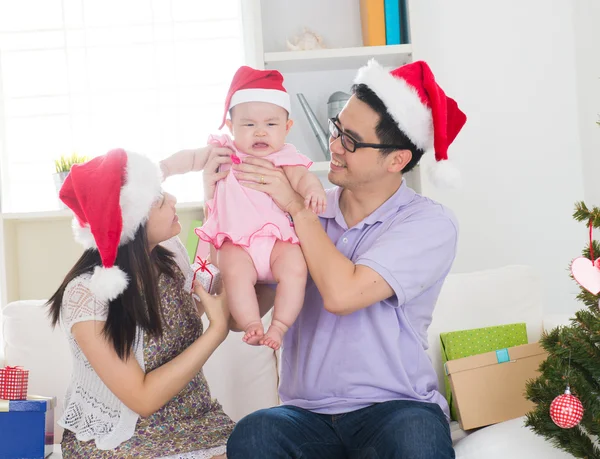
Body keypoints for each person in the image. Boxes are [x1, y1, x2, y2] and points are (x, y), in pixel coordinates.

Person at [224, 59, 467, 458]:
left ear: (397, 160)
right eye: (337, 128)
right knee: (255, 433)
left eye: (351, 140)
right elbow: (240, 317)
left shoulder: (429, 223)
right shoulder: (305, 208)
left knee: (418, 439)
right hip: (306, 416)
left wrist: (298, 211)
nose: (333, 146)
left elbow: (342, 294)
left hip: (396, 409)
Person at [47, 148, 235, 458]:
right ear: (132, 223)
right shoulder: (86, 295)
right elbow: (143, 399)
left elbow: (182, 317)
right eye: (159, 200)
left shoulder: (168, 253)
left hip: (196, 421)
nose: (172, 200)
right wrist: (217, 331)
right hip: (123, 438)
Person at [196, 65, 327, 351]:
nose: (260, 132)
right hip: (239, 245)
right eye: (248, 124)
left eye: (270, 124)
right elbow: (212, 198)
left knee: (295, 268)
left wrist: (314, 190)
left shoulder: (285, 158)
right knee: (233, 271)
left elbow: (303, 178)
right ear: (231, 128)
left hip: (279, 243)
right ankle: (252, 322)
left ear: (287, 128)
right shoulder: (225, 157)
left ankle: (278, 326)